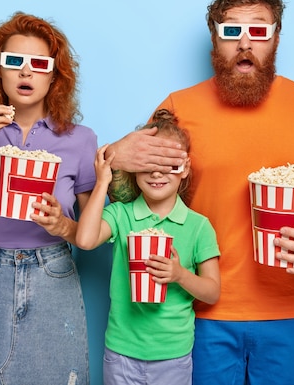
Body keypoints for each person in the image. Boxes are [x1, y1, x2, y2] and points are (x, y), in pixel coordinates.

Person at [105, 0, 294, 385]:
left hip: (288, 312)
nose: (245, 44)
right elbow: (130, 195)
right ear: (214, 37)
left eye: (259, 31)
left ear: (276, 37)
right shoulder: (177, 108)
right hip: (201, 312)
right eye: (231, 31)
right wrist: (113, 156)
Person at [0, 12, 96, 385]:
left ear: (54, 75)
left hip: (53, 271)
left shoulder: (80, 139)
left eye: (39, 64)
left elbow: (93, 234)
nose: (25, 72)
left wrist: (63, 224)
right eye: (14, 62)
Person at [74, 109, 221, 385]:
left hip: (173, 356)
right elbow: (84, 239)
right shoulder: (121, 215)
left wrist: (179, 275)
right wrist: (103, 180)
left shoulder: (199, 226)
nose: (157, 172)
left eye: (168, 163)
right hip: (121, 353)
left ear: (185, 167)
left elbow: (212, 292)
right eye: (148, 162)